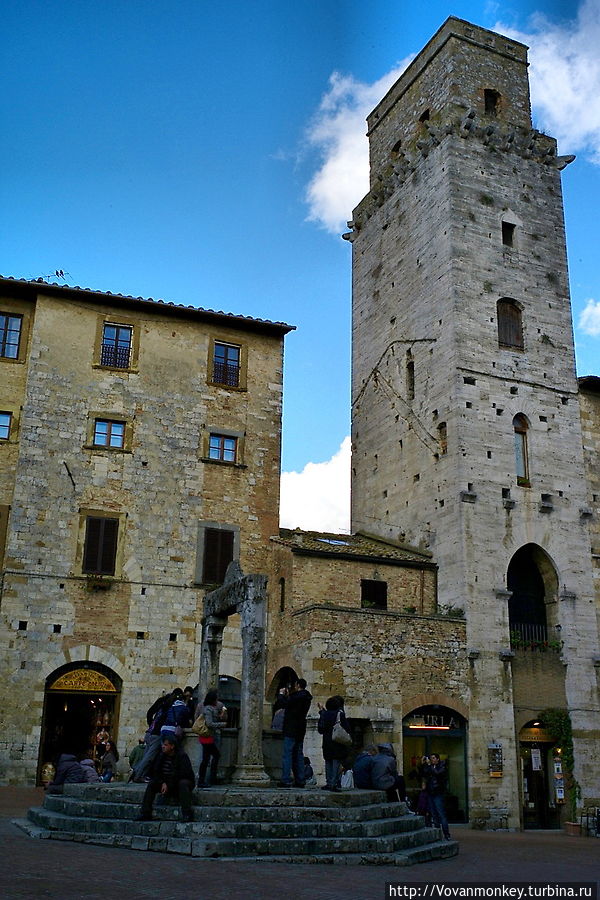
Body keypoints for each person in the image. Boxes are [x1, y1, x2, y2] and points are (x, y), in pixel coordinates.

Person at [136, 734, 195, 822]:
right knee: (152, 784)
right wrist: (162, 782)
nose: (163, 747)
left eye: (166, 745)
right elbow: (156, 772)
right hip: (165, 783)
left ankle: (187, 814)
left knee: (183, 783)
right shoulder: (161, 756)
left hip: (177, 784)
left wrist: (168, 784)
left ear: (172, 746)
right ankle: (145, 813)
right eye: (163, 744)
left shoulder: (182, 756)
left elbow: (182, 774)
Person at [278, 677, 312, 787]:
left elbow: (284, 704)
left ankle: (286, 779)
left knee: (287, 754)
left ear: (297, 685)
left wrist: (281, 694)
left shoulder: (296, 697)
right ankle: (300, 779)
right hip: (301, 728)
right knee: (298, 754)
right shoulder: (307, 697)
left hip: (291, 728)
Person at [132, 691, 173, 781]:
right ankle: (138, 776)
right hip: (156, 734)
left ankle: (137, 773)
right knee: (149, 758)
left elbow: (149, 713)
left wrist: (150, 724)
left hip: (149, 732)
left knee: (146, 756)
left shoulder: (160, 707)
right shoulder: (167, 709)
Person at [317, 695, 351, 792]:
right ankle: (334, 783)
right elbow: (347, 728)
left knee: (328, 762)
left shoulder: (324, 715)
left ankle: (328, 782)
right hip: (337, 742)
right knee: (336, 762)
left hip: (327, 742)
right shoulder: (340, 715)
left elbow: (320, 729)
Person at [196, 689, 227, 787]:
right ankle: (204, 780)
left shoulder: (209, 708)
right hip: (207, 737)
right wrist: (222, 724)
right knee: (209, 758)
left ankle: (206, 779)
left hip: (208, 737)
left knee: (209, 757)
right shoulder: (208, 709)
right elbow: (209, 723)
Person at [422, 753, 451, 840]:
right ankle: (437, 835)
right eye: (431, 758)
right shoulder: (430, 767)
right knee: (434, 815)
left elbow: (437, 773)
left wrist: (429, 765)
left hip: (438, 793)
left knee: (441, 814)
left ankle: (446, 834)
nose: (432, 760)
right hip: (431, 793)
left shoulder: (442, 766)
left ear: (438, 759)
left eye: (434, 758)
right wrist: (424, 764)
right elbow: (424, 773)